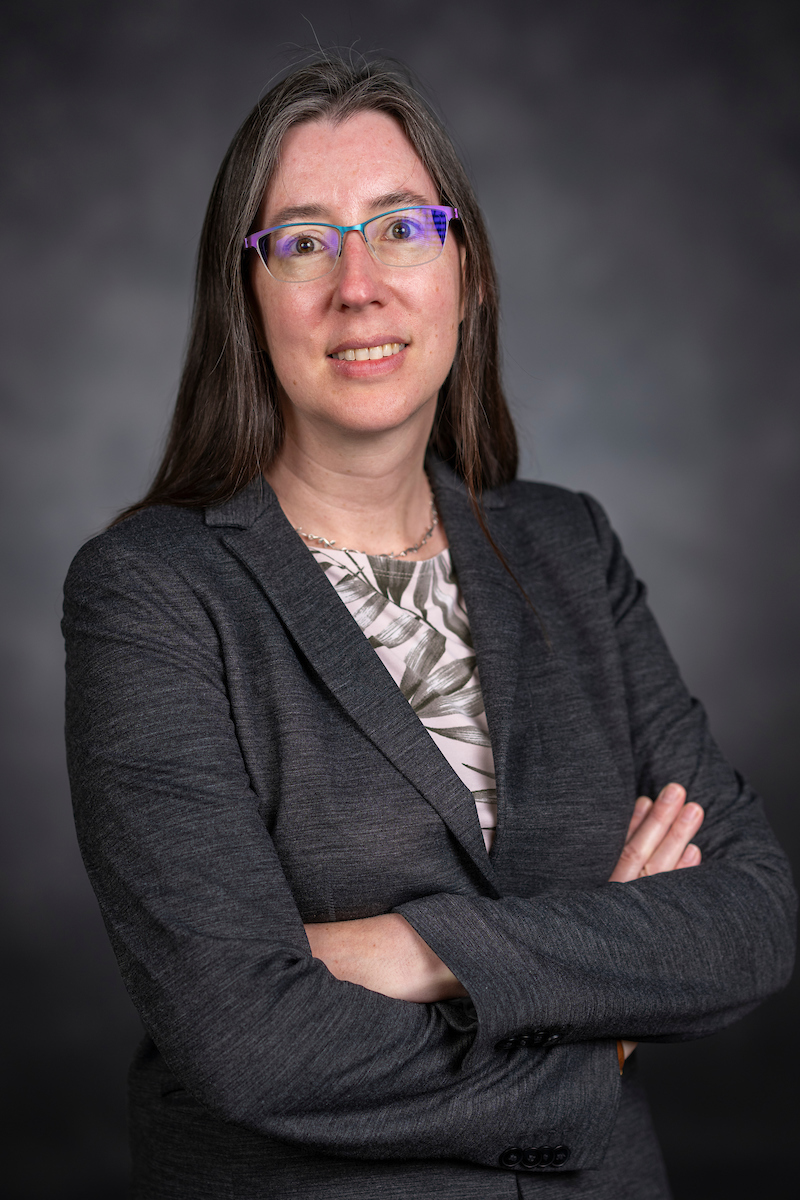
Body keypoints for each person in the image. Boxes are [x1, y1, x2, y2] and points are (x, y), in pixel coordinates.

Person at [63, 56, 795, 1200]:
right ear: (243, 299)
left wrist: (414, 950)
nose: (358, 285)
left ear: (466, 269)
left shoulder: (567, 547)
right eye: (302, 242)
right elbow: (245, 1036)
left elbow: (748, 917)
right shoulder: (149, 592)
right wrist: (590, 1030)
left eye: (401, 227)